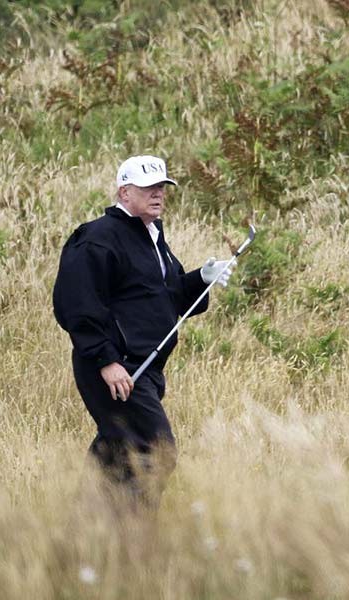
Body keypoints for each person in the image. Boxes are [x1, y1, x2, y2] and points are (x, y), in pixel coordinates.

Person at [52, 154, 232, 509]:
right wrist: (106, 360)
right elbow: (75, 304)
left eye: (162, 187)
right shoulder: (97, 238)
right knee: (155, 449)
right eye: (148, 188)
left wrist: (201, 279)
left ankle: (85, 535)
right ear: (124, 192)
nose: (158, 195)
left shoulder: (152, 236)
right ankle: (130, 535)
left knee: (117, 450)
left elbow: (167, 298)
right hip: (115, 368)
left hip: (144, 369)